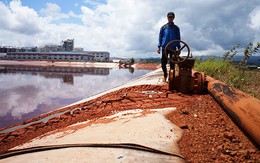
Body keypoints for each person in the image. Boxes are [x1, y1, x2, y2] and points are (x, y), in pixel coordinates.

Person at [157, 12, 181, 82]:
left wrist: (179, 47)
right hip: (165, 48)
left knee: (172, 63)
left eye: (172, 17)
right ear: (167, 18)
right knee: (163, 63)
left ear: (173, 18)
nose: (170, 18)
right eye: (169, 17)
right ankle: (165, 75)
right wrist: (159, 47)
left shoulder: (176, 28)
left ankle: (171, 77)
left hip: (173, 48)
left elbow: (178, 38)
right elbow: (160, 37)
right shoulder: (163, 27)